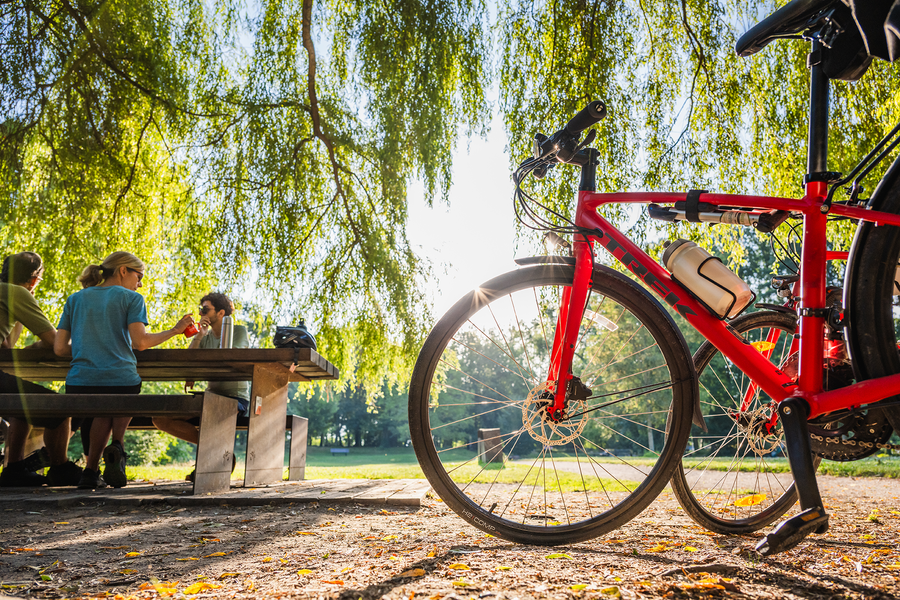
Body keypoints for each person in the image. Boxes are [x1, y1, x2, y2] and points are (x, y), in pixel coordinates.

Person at [54, 251, 194, 489]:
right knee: (122, 388)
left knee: (103, 408)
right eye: (139, 277)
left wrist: (87, 347)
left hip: (79, 382)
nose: (140, 284)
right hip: (120, 380)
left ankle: (91, 471)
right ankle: (117, 446)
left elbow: (59, 349)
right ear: (122, 270)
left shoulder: (75, 299)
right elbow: (141, 343)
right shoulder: (132, 299)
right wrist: (175, 330)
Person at [0, 252, 83, 487]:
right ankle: (60, 468)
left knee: (22, 406)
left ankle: (15, 470)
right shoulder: (16, 293)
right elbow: (55, 343)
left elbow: (6, 347)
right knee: (58, 408)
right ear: (34, 279)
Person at [153, 292, 249, 481]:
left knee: (212, 410)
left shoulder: (238, 331)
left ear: (221, 313)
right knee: (160, 418)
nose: (200, 313)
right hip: (209, 397)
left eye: (205, 309)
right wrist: (198, 336)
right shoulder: (205, 336)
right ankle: (216, 449)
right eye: (200, 309)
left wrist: (199, 369)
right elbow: (189, 360)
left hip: (235, 399)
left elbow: (230, 357)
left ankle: (211, 462)